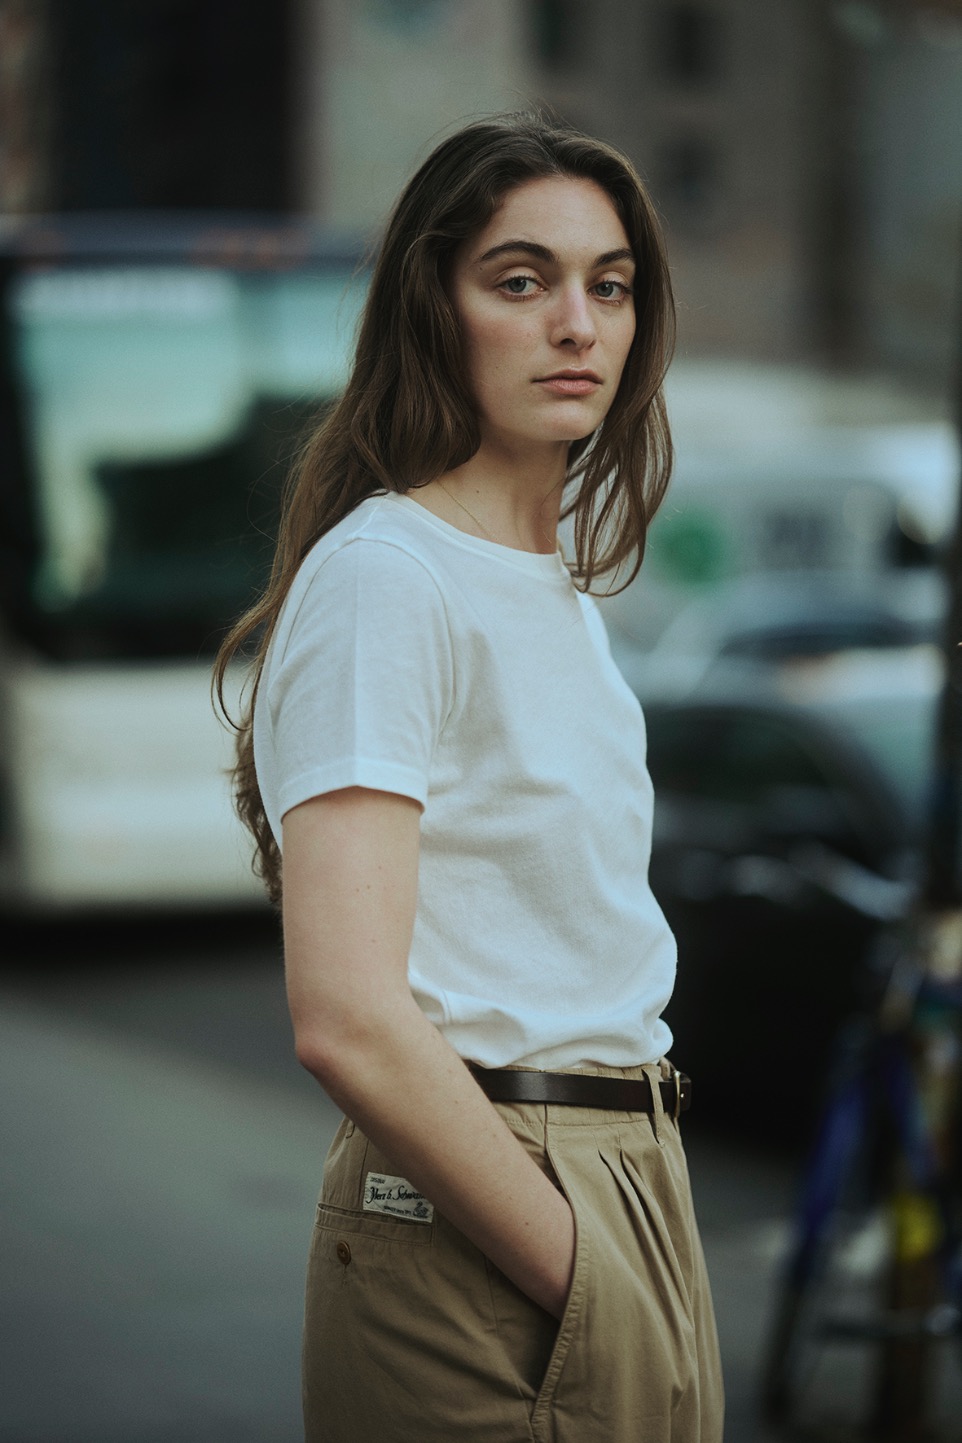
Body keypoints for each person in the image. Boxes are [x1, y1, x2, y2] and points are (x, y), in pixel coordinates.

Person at [215, 111, 723, 1443]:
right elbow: (345, 1015)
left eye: (607, 284)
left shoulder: (554, 598)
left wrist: (621, 1248)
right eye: (520, 280)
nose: (577, 322)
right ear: (430, 312)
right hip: (496, 1195)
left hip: (623, 1176)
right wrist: (574, 1269)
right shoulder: (389, 577)